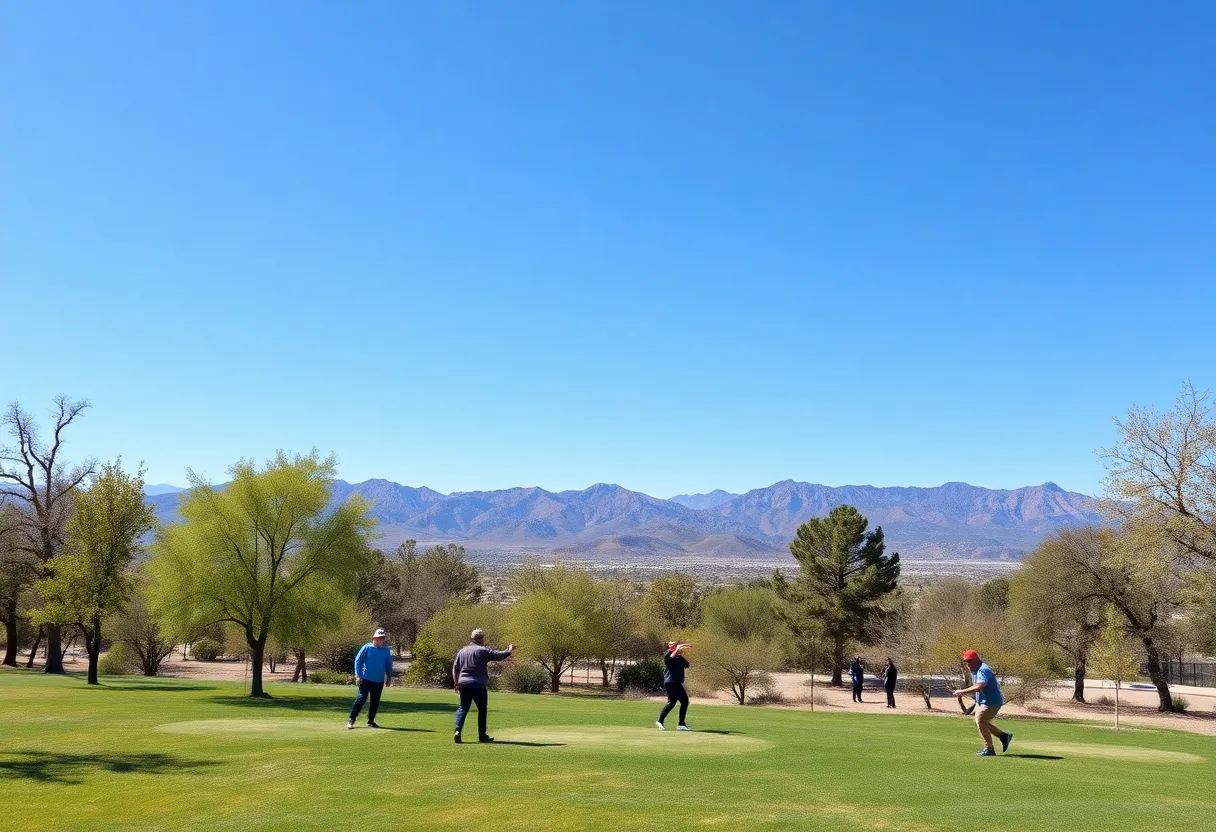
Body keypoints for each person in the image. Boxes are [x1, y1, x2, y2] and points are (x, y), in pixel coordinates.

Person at [452, 628, 514, 743]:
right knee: (482, 709)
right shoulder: (483, 650)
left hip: (464, 683)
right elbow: (499, 656)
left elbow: (455, 667)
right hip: (478, 685)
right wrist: (509, 649)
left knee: (463, 707)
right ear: (481, 639)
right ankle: (482, 736)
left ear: (472, 638)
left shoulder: (462, 651)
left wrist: (456, 683)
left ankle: (458, 730)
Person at [950, 649, 1013, 756]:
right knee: (982, 722)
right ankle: (1003, 736)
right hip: (984, 702)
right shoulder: (975, 670)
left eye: (969, 661)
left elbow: (979, 686)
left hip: (991, 702)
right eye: (965, 661)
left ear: (976, 659)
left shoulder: (983, 670)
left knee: (980, 721)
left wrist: (962, 691)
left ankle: (990, 749)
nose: (967, 663)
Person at [347, 628, 393, 729]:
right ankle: (351, 719)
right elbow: (358, 661)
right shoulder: (367, 648)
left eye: (382, 638)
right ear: (374, 638)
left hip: (379, 681)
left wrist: (389, 677)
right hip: (366, 679)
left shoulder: (386, 650)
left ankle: (371, 721)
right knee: (361, 699)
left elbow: (388, 664)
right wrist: (358, 675)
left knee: (375, 701)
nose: (380, 640)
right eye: (379, 638)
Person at [656, 641, 693, 731]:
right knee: (682, 701)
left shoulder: (678, 658)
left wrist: (680, 653)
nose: (673, 646)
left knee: (676, 702)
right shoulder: (667, 655)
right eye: (671, 644)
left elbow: (687, 665)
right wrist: (677, 648)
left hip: (677, 682)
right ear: (668, 647)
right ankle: (679, 723)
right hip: (671, 682)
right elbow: (670, 659)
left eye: (675, 645)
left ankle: (678, 724)